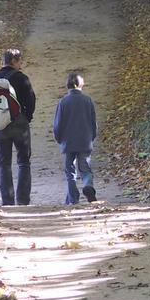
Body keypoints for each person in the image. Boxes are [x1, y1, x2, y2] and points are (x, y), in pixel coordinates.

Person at [0, 49, 35, 205]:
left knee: (4, 164)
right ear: (13, 61)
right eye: (20, 61)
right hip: (19, 123)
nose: (21, 64)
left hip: (0, 124)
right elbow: (31, 101)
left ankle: (7, 201)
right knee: (24, 162)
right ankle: (23, 200)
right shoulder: (22, 78)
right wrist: (27, 117)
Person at [53, 72, 98, 204]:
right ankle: (88, 185)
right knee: (85, 168)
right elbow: (93, 122)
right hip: (85, 140)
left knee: (70, 172)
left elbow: (58, 124)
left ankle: (73, 198)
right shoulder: (88, 100)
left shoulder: (63, 102)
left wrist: (59, 138)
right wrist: (92, 137)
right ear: (79, 85)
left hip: (68, 142)